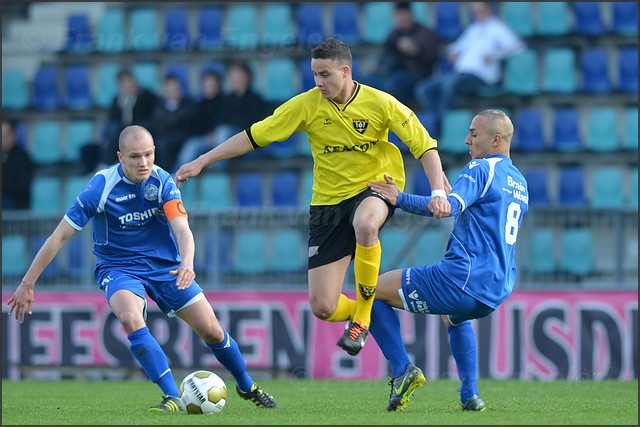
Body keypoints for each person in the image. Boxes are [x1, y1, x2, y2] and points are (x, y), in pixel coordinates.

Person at [175, 37, 451, 357]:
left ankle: (362, 318)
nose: (318, 82)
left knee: (365, 224)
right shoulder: (307, 104)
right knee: (323, 306)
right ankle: (372, 309)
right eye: (314, 74)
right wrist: (201, 161)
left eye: (325, 74)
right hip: (328, 203)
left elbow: (425, 146)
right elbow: (254, 136)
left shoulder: (381, 103)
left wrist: (438, 191)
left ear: (346, 71)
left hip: (376, 188)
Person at [6, 125, 278, 412]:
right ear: (120, 157)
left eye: (148, 155)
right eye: (135, 157)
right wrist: (27, 283)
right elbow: (59, 236)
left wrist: (187, 262)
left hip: (166, 267)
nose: (144, 163)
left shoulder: (162, 181)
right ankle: (172, 396)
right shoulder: (100, 186)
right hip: (119, 266)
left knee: (211, 331)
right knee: (129, 317)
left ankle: (247, 385)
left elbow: (182, 229)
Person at [366, 109, 528, 412]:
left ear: (495, 139)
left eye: (474, 134)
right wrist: (454, 200)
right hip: (497, 287)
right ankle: (470, 395)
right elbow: (478, 215)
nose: (467, 140)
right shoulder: (519, 181)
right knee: (453, 317)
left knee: (372, 291)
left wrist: (397, 197)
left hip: (462, 279)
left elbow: (446, 208)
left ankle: (402, 371)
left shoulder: (480, 169)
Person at [413, 2, 525, 136]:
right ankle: (437, 118)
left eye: (480, 10)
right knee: (424, 88)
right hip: (460, 74)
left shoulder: (497, 27)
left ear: (489, 9)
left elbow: (517, 46)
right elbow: (456, 46)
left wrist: (494, 55)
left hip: (480, 76)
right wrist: (453, 52)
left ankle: (438, 128)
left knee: (449, 84)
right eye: (475, 11)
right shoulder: (473, 29)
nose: (477, 14)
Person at [360, 2, 439, 106]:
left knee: (391, 85)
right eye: (399, 15)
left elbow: (432, 59)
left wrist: (417, 51)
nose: (402, 18)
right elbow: (385, 56)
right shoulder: (393, 34)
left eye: (404, 14)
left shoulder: (425, 33)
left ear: (411, 15)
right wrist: (378, 66)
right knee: (362, 83)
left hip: (414, 75)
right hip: (389, 72)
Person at [101, 69, 158, 166]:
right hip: (122, 130)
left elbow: (151, 116)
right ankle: (106, 164)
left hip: (140, 129)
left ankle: (107, 163)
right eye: (123, 83)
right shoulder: (118, 99)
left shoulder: (146, 96)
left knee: (118, 131)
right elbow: (113, 118)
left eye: (128, 81)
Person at [173, 70, 227, 173]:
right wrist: (206, 135)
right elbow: (195, 127)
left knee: (222, 132)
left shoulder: (226, 102)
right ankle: (177, 177)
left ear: (218, 85)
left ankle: (218, 166)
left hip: (222, 139)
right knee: (191, 144)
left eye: (212, 85)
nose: (209, 88)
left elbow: (228, 122)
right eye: (206, 85)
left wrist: (214, 134)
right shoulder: (198, 105)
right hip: (206, 139)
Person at [148, 74, 198, 172]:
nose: (173, 91)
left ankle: (171, 175)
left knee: (165, 144)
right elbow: (157, 125)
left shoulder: (190, 105)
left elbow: (189, 125)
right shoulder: (159, 106)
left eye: (175, 88)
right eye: (170, 89)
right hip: (164, 139)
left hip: (182, 138)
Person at [2, 118, 34, 210]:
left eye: (5, 136)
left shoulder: (23, 158)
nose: (3, 140)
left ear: (14, 135)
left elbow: (21, 189)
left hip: (15, 207)